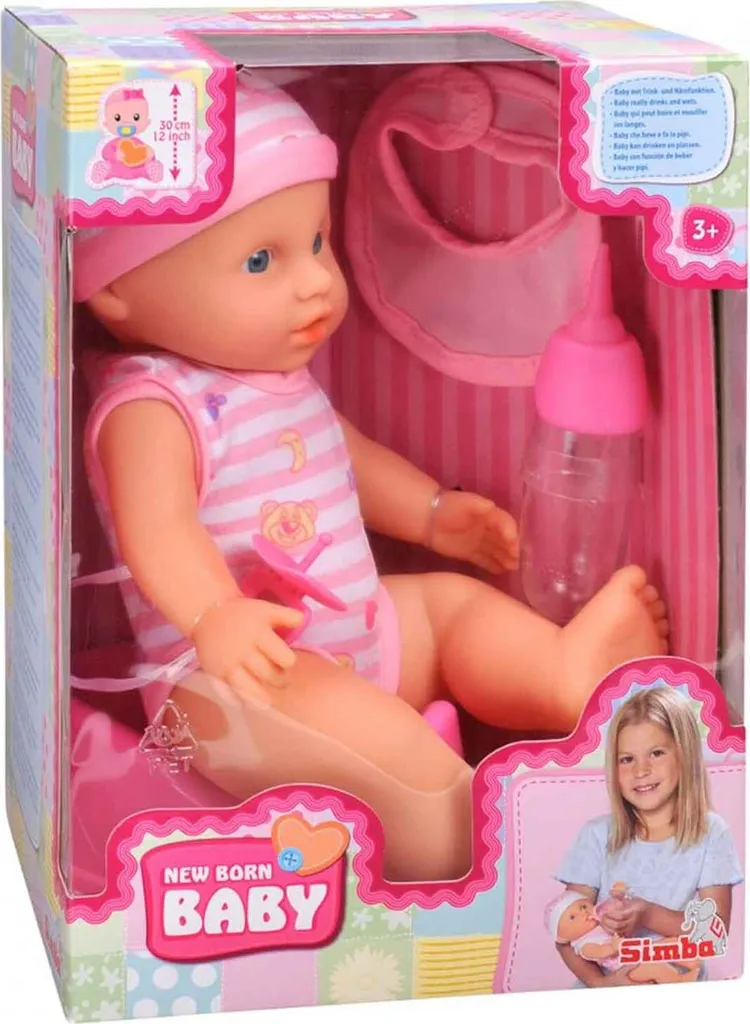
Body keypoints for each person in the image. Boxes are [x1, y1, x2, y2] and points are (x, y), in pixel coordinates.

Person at [76, 71, 668, 882]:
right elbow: (160, 528)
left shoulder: (278, 382)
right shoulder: (151, 404)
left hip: (365, 631)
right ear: (116, 288)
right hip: (229, 683)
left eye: (318, 242)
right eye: (261, 261)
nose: (316, 281)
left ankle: (562, 673)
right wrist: (215, 614)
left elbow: (344, 452)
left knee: (451, 609)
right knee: (376, 740)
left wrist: (431, 513)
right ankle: (451, 827)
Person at [554, 686, 742, 985]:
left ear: (684, 756)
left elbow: (715, 930)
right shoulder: (596, 836)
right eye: (627, 759)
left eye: (656, 753)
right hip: (607, 992)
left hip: (680, 988)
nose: (641, 770)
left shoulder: (710, 833)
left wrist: (648, 915)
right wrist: (601, 984)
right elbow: (564, 933)